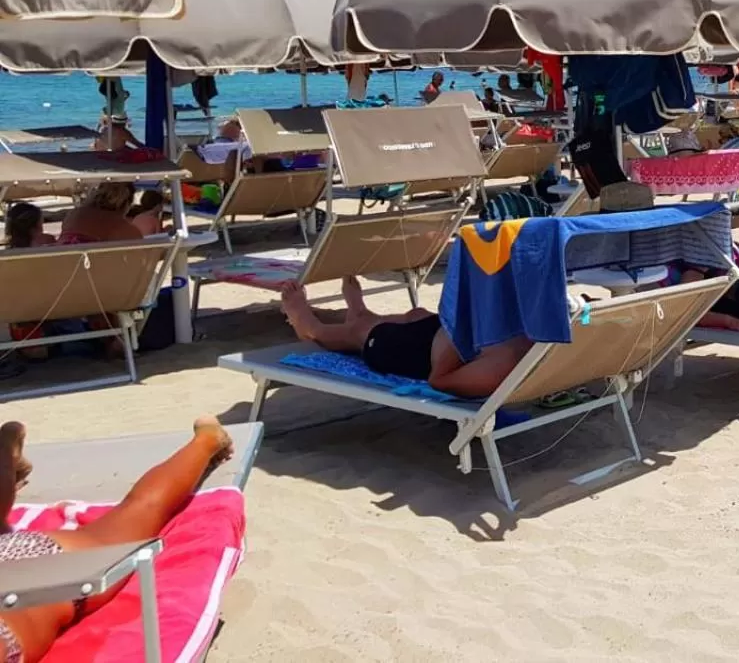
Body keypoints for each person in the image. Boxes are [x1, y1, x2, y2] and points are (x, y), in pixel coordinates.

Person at [0, 417, 234, 663]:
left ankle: (208, 440)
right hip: (21, 577)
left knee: (139, 511)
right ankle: (5, 450)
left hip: (36, 571)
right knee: (138, 511)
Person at [278, 279, 529, 397]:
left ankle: (310, 326)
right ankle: (360, 313)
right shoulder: (534, 335)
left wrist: (456, 338)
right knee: (415, 314)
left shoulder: (498, 367)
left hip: (417, 355)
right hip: (438, 332)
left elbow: (439, 381)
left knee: (364, 334)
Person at [59, 182, 159, 243]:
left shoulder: (73, 216)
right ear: (127, 204)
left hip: (64, 270)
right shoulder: (127, 231)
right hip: (98, 274)